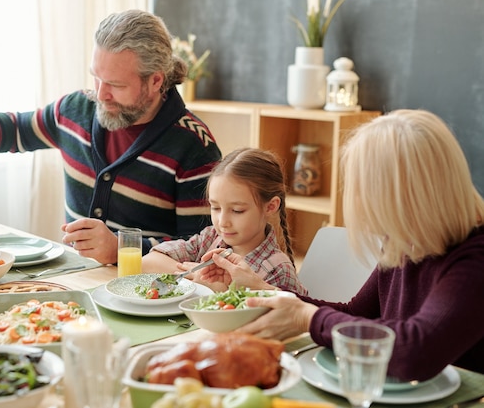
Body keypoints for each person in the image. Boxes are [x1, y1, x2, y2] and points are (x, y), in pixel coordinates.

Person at [0, 9, 222, 265]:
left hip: (148, 297)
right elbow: (20, 129)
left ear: (156, 80)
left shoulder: (194, 147)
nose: (101, 94)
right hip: (75, 278)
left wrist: (121, 249)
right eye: (96, 77)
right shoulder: (77, 109)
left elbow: (200, 249)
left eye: (115, 84)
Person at [201, 109, 484, 381]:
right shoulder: (408, 239)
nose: (360, 202)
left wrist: (308, 318)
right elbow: (355, 314)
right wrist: (266, 289)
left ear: (404, 195)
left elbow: (416, 350)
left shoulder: (475, 259)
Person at [142, 147, 307, 295]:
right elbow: (148, 262)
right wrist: (197, 278)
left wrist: (219, 290)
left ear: (270, 207)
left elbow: (280, 323)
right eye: (215, 208)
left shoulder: (278, 270)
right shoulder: (211, 238)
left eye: (237, 210)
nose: (223, 222)